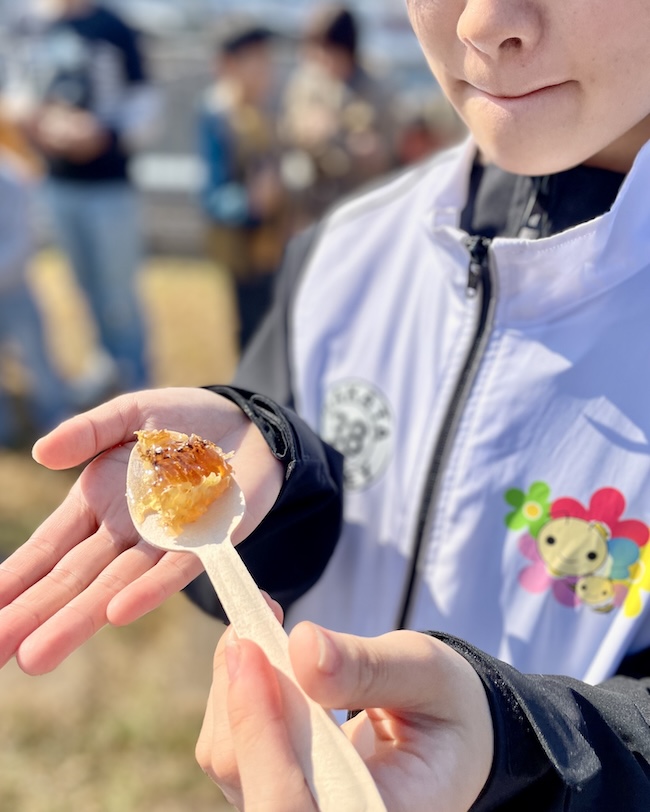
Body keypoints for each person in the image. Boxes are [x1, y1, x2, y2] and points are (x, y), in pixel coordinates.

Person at [0, 0, 650, 808]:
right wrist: (274, 486)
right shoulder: (348, 249)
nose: (483, 22)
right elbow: (258, 564)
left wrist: (513, 748)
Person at [8, 0, 160, 397]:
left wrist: (101, 135)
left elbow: (145, 106)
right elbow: (16, 92)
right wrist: (42, 124)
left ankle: (136, 380)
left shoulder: (114, 26)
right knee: (83, 285)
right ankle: (107, 366)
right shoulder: (27, 23)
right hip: (55, 182)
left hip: (109, 184)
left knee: (118, 291)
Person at [197, 18, 289, 351]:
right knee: (255, 338)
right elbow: (213, 193)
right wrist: (250, 202)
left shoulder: (267, 110)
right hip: (245, 250)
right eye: (258, 60)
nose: (268, 69)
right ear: (230, 65)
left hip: (277, 244)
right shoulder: (220, 115)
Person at [279, 4, 398, 230]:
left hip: (361, 199)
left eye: (329, 52)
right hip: (314, 199)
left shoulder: (376, 86)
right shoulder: (307, 82)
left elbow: (391, 147)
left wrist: (365, 146)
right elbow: (285, 131)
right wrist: (304, 130)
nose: (322, 60)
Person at [0, 121, 71, 445]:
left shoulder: (13, 179)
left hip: (14, 291)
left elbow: (24, 241)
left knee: (35, 353)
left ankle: (54, 413)